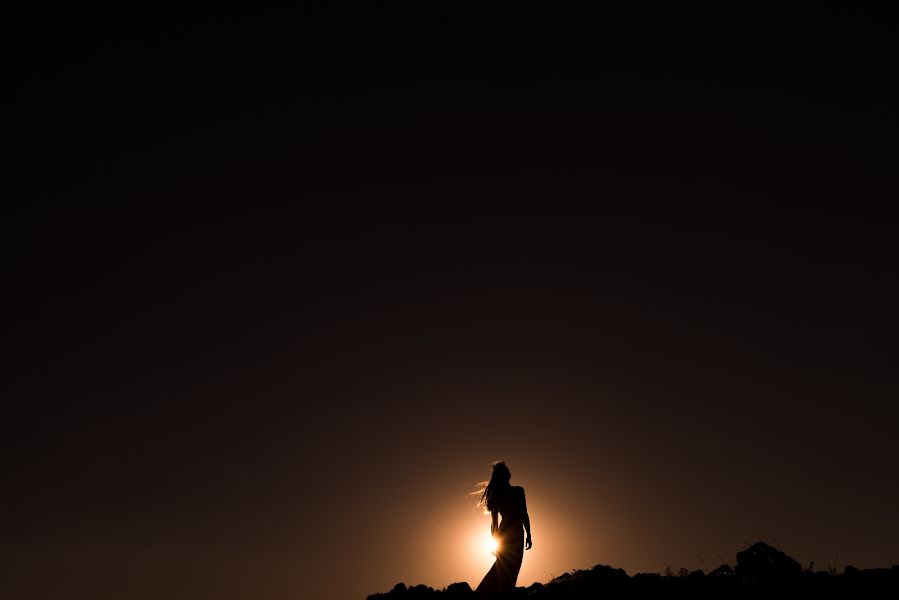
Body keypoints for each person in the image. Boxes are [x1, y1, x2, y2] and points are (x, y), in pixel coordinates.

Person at [475, 462, 532, 594]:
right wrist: (529, 534)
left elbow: (494, 524)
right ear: (507, 475)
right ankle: (494, 594)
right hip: (516, 533)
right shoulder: (518, 491)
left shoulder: (498, 495)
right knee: (509, 567)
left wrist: (494, 542)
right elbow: (524, 514)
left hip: (505, 533)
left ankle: (488, 593)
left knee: (503, 567)